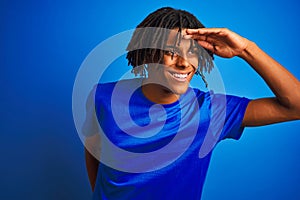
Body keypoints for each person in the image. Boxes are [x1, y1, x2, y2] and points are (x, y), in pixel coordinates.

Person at [83, 7, 300, 200]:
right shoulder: (102, 97)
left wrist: (246, 50)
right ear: (148, 53)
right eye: (171, 52)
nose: (184, 63)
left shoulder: (210, 111)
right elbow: (94, 149)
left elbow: (296, 106)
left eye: (192, 52)